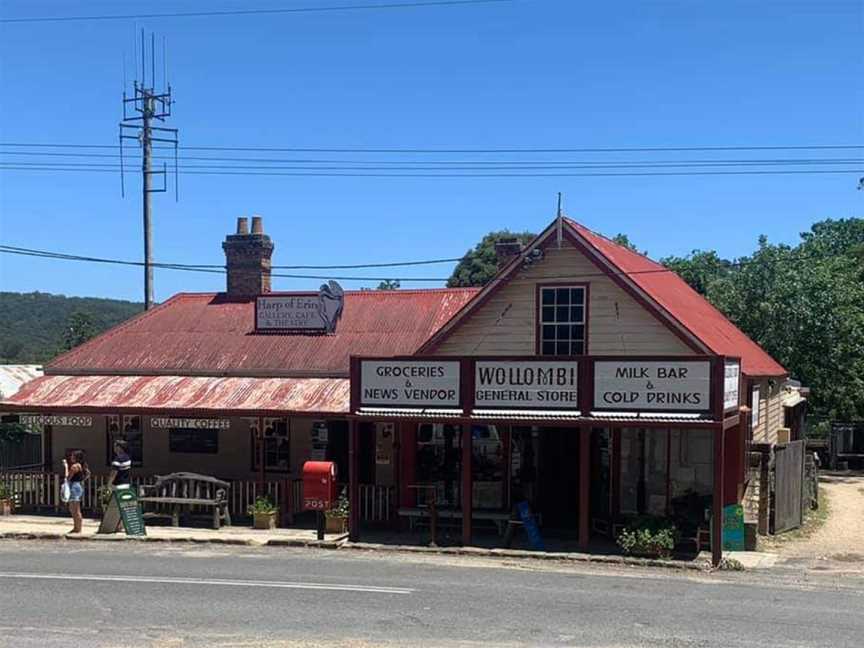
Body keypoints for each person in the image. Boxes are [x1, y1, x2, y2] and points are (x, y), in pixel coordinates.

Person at [62, 450, 90, 534]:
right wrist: (81, 480)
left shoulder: (74, 466)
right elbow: (88, 474)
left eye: (73, 456)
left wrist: (66, 466)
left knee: (75, 509)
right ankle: (76, 527)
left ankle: (78, 528)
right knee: (72, 508)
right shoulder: (83, 465)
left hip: (74, 486)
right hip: (78, 486)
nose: (71, 457)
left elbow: (67, 477)